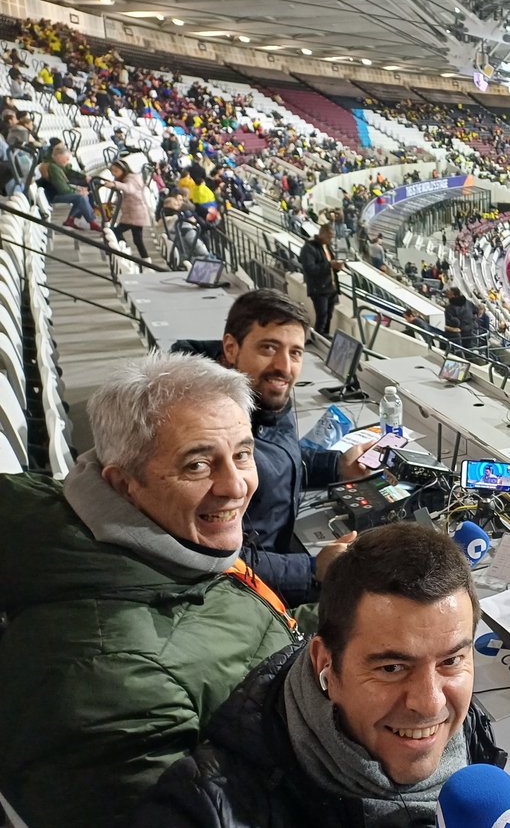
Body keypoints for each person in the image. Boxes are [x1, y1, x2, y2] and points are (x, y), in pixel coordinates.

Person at [0, 354, 299, 828]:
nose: (236, 485)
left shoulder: (162, 545)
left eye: (242, 453)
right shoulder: (110, 680)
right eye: (199, 465)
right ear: (123, 481)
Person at [133, 522, 506, 826]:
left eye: (451, 661)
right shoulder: (205, 807)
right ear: (325, 664)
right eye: (392, 668)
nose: (430, 703)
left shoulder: (464, 728)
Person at [173, 290, 370, 606]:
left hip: (276, 564)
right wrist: (311, 569)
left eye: (295, 353)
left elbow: (277, 458)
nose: (284, 367)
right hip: (244, 595)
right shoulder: (205, 430)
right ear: (231, 348)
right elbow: (208, 554)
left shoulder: (264, 397)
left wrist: (337, 466)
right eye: (269, 348)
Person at [100, 158, 153, 259]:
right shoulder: (130, 178)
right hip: (134, 214)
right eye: (112, 171)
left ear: (123, 170)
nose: (114, 174)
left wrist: (114, 184)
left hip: (135, 214)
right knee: (137, 240)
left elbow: (129, 188)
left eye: (116, 171)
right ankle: (145, 260)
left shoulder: (130, 179)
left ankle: (125, 251)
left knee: (115, 231)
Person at [299, 223, 342, 336]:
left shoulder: (327, 247)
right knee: (322, 315)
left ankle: (325, 336)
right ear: (321, 233)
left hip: (330, 287)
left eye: (332, 237)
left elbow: (329, 266)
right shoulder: (309, 248)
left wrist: (336, 267)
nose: (330, 239)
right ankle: (318, 338)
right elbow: (310, 269)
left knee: (329, 315)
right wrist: (329, 265)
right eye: (329, 236)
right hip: (318, 289)